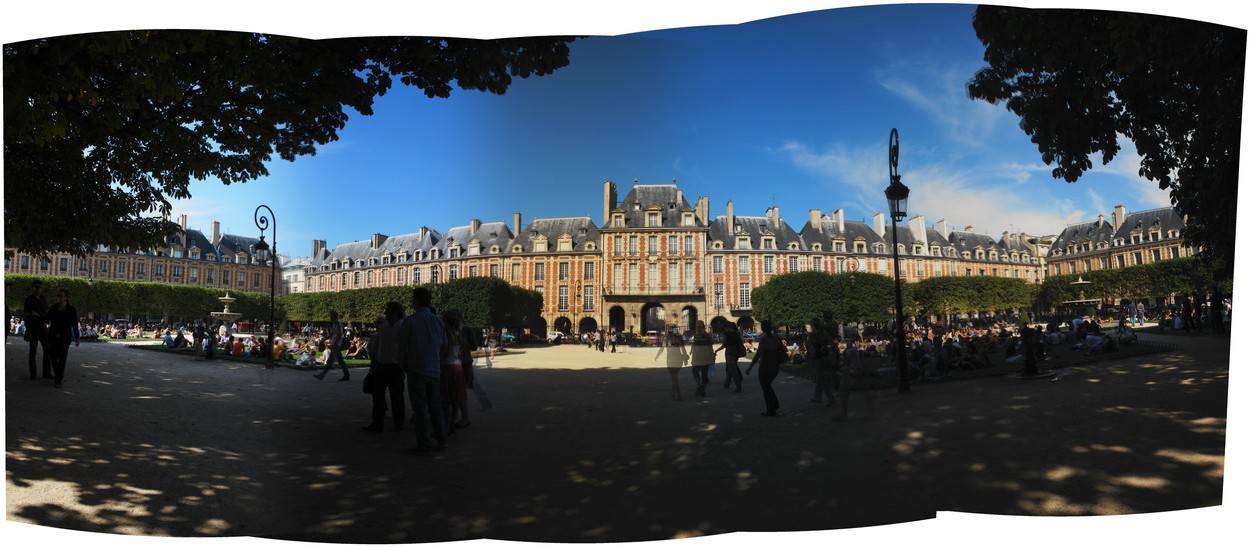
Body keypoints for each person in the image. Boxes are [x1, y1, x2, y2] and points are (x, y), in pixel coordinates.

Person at [397, 287, 447, 455]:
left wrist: (402, 364)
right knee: (435, 407)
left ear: (415, 301)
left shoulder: (410, 321)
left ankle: (425, 444)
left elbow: (401, 346)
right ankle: (442, 439)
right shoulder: (438, 321)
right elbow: (444, 345)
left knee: (420, 409)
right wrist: (436, 359)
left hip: (417, 369)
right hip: (434, 369)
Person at [363, 302, 407, 433]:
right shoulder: (384, 326)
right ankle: (377, 423)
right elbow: (377, 346)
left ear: (395, 313)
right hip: (382, 365)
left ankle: (398, 423)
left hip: (396, 367)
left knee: (397, 397)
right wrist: (375, 363)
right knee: (377, 396)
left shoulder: (404, 326)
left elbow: (408, 348)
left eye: (388, 311)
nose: (385, 312)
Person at [745, 320, 788, 417]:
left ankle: (771, 409)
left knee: (766, 388)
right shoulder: (776, 337)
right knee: (767, 386)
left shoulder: (764, 338)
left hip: (765, 367)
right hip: (775, 366)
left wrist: (750, 367)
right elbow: (783, 349)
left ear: (763, 328)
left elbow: (758, 354)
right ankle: (774, 406)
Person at [439, 309, 470, 435]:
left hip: (448, 367)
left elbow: (445, 351)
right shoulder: (458, 333)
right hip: (458, 367)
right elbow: (462, 349)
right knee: (456, 398)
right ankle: (451, 424)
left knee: (446, 400)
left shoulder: (447, 333)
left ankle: (446, 426)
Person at [44, 289, 81, 388]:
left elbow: (74, 325)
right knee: (53, 358)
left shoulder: (71, 310)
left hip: (65, 338)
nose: (59, 298)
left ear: (66, 297)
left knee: (62, 360)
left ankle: (58, 380)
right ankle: (58, 377)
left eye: (61, 296)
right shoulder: (54, 307)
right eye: (58, 296)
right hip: (53, 337)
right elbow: (46, 319)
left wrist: (77, 337)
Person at [833, 340, 877, 422]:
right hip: (860, 369)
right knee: (866, 391)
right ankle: (872, 414)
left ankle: (844, 414)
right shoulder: (856, 350)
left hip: (852, 371)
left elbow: (852, 363)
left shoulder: (851, 350)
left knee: (843, 391)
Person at [807, 317, 838, 407]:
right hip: (827, 357)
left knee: (822, 379)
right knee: (821, 378)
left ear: (812, 325)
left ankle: (831, 399)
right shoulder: (824, 333)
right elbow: (832, 343)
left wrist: (810, 359)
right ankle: (817, 396)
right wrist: (826, 347)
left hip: (818, 358)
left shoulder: (812, 335)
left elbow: (810, 348)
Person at [23, 281, 51, 380]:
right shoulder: (29, 299)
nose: (38, 289)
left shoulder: (43, 299)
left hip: (42, 326)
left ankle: (46, 373)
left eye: (40, 287)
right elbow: (26, 314)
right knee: (33, 350)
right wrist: (27, 330)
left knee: (47, 349)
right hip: (33, 326)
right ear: (33, 288)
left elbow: (47, 312)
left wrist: (48, 324)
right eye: (36, 287)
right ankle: (33, 373)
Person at [314, 310, 350, 381]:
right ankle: (347, 375)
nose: (330, 318)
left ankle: (322, 375)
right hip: (335, 345)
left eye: (331, 316)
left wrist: (335, 343)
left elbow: (340, 335)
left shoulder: (339, 324)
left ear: (334, 317)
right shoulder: (335, 324)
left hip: (336, 345)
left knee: (330, 361)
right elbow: (335, 335)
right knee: (340, 361)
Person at [655, 331, 689, 400]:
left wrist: (657, 356)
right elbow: (683, 349)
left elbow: (662, 348)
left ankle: (678, 395)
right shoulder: (679, 337)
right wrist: (685, 359)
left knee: (674, 378)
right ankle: (673, 393)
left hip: (670, 359)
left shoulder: (667, 338)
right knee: (674, 377)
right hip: (679, 359)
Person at [688, 321, 716, 397]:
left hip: (704, 358)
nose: (698, 328)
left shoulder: (705, 336)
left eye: (699, 327)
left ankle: (701, 388)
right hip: (699, 358)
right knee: (697, 372)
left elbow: (710, 347)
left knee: (702, 375)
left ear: (703, 327)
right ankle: (701, 387)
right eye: (697, 327)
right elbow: (694, 346)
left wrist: (711, 357)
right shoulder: (697, 336)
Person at [716, 324, 745, 392]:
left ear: (728, 327)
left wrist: (717, 350)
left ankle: (738, 386)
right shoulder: (737, 334)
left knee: (732, 370)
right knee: (731, 368)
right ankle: (727, 383)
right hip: (736, 352)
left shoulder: (727, 334)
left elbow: (724, 344)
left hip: (729, 353)